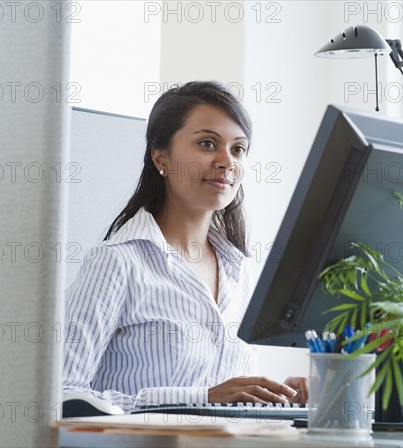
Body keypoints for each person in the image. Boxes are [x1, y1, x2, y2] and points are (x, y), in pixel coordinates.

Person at [63, 81, 308, 412]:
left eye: (238, 149)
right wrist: (201, 398)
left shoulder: (241, 270)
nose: (227, 161)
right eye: (208, 144)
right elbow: (66, 396)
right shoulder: (118, 262)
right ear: (160, 156)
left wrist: (277, 397)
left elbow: (231, 398)